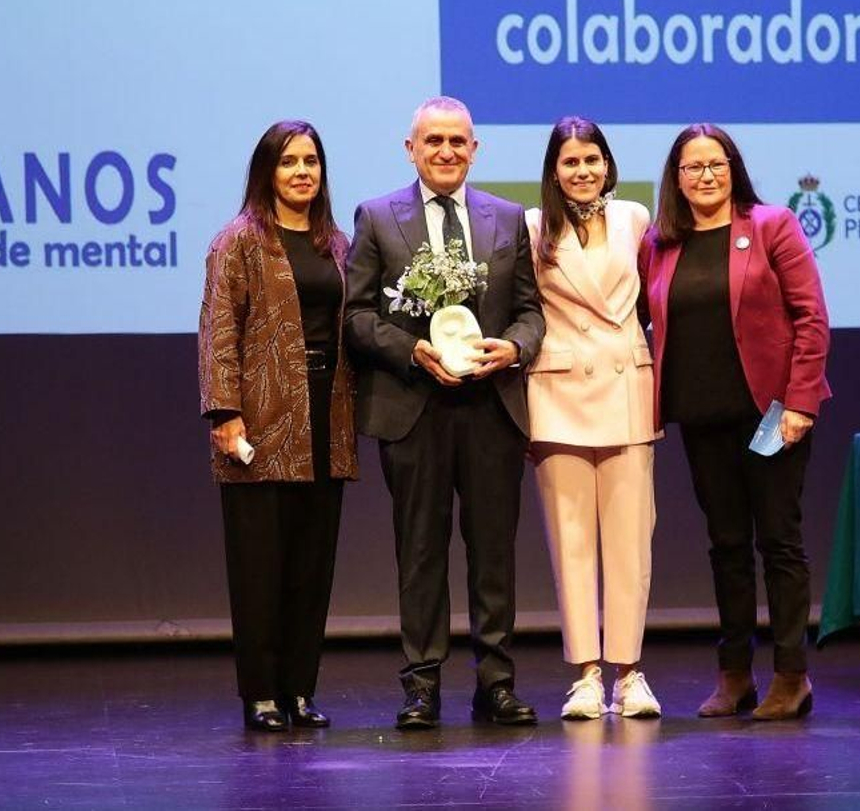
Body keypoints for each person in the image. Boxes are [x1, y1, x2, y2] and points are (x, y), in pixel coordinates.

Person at [343, 96, 546, 730]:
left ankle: (496, 682)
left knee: (493, 551)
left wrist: (513, 347)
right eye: (433, 141)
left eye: (458, 141)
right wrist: (412, 352)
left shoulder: (508, 219)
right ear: (411, 148)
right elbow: (355, 316)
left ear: (475, 148)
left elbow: (532, 311)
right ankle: (422, 685)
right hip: (414, 407)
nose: (446, 152)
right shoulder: (377, 218)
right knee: (421, 550)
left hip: (491, 406)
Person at [640, 123, 831, 720]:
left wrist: (799, 402)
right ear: (676, 178)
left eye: (715, 164)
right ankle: (734, 675)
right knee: (725, 546)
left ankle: (791, 676)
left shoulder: (772, 225)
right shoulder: (659, 242)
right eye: (692, 167)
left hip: (771, 414)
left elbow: (811, 317)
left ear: (733, 168)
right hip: (702, 418)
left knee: (777, 540)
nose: (705, 176)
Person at [197, 120, 358, 732]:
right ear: (266, 171)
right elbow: (218, 331)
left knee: (312, 562)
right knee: (260, 563)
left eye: (311, 161)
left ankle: (299, 689)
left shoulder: (336, 245)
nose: (302, 172)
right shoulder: (236, 242)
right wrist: (224, 411)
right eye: (289, 161)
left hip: (327, 413)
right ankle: (261, 692)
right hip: (260, 420)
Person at [523, 117, 662, 720]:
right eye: (571, 162)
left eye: (593, 159)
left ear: (608, 163)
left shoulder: (635, 217)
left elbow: (660, 297)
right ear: (554, 171)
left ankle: (630, 672)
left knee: (632, 540)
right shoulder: (531, 227)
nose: (583, 171)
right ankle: (585, 674)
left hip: (627, 386)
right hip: (559, 392)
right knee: (571, 540)